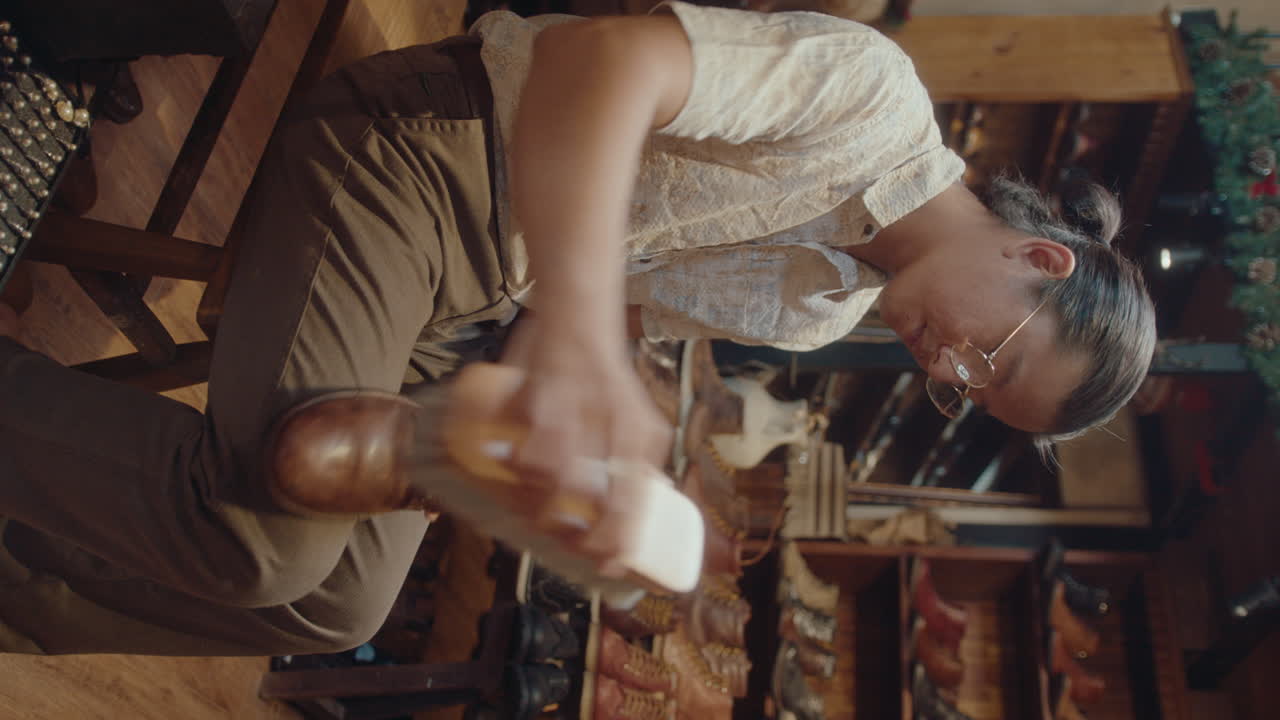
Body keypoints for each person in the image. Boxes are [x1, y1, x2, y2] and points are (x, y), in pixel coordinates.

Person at [0, 2, 1154, 656]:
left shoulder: (819, 313)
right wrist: (581, 337)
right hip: (424, 155)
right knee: (267, 544)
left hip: (467, 295)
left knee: (337, 605)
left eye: (965, 391)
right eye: (988, 356)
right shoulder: (872, 100)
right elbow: (600, 56)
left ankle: (21, 578)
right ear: (1037, 259)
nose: (944, 368)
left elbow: (614, 296)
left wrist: (597, 434)